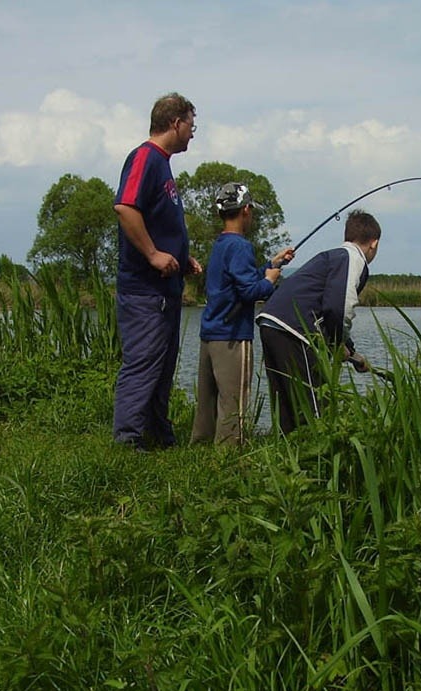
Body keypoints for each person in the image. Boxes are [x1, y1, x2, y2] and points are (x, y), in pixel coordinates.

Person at [112, 92, 203, 451]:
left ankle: (158, 434)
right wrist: (152, 254)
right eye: (191, 127)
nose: (192, 134)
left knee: (163, 365)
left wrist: (183, 256)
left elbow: (157, 219)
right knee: (143, 363)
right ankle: (127, 442)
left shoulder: (162, 164)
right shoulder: (144, 158)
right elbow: (125, 207)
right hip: (144, 290)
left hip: (165, 289)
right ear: (175, 123)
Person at [257, 209, 380, 435]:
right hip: (295, 328)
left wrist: (350, 351)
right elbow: (339, 306)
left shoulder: (332, 256)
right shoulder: (353, 258)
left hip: (270, 321)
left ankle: (286, 457)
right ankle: (316, 457)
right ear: (374, 243)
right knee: (313, 402)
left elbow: (327, 309)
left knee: (285, 402)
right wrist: (335, 344)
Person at [191, 182, 295, 445]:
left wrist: (271, 265)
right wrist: (270, 281)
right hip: (233, 337)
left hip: (211, 333)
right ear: (246, 210)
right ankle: (228, 459)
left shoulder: (222, 244)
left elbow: (238, 281)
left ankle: (200, 447)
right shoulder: (241, 246)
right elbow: (251, 292)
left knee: (208, 401)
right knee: (234, 401)